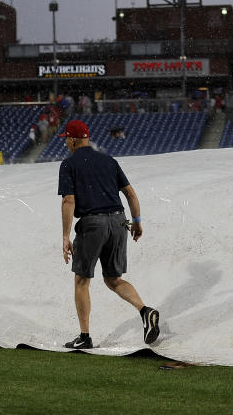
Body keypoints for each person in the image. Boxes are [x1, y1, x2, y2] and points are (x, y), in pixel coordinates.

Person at [57, 119, 159, 350]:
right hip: (119, 220)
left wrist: (65, 236)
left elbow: (68, 200)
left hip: (93, 223)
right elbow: (131, 194)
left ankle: (84, 336)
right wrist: (137, 222)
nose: (67, 145)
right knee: (113, 279)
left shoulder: (69, 164)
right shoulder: (108, 160)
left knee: (82, 280)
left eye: (67, 141)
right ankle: (145, 311)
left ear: (72, 140)